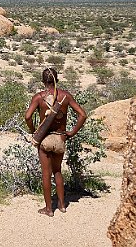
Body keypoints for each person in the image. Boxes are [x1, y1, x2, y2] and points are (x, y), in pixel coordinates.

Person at [24, 68, 87, 217]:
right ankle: (62, 204)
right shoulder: (65, 96)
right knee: (57, 171)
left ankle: (48, 209)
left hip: (45, 139)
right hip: (60, 139)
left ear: (43, 81)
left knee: (46, 174)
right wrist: (71, 132)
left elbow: (27, 116)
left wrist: (33, 130)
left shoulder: (39, 97)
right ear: (56, 79)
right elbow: (83, 115)